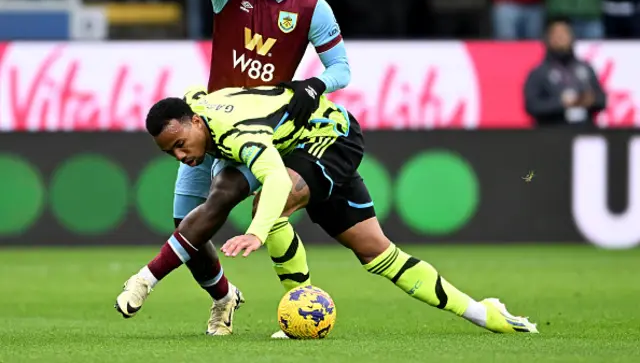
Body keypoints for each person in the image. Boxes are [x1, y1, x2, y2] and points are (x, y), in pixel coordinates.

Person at [115, 84, 539, 336]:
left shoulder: (240, 136)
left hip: (331, 139)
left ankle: (295, 310)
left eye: (180, 144)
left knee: (269, 202)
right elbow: (200, 94)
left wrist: (257, 234)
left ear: (196, 123)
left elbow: (278, 179)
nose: (181, 156)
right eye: (169, 152)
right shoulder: (195, 106)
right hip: (302, 144)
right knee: (377, 252)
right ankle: (484, 313)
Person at [155, 0, 350, 337]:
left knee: (218, 206)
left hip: (258, 132)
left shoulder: (313, 5)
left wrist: (315, 84)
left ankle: (296, 292)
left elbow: (342, 69)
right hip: (208, 127)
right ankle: (224, 297)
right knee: (185, 229)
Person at [524, 18, 606, 126]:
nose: (561, 38)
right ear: (548, 39)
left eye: (565, 33)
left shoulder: (585, 68)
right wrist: (561, 103)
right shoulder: (539, 73)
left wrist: (590, 100)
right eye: (557, 34)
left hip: (584, 130)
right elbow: (532, 106)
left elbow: (602, 99)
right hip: (552, 131)